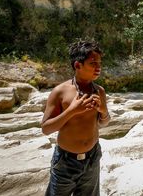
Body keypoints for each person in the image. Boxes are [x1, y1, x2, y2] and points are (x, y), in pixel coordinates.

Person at [41, 39, 111, 196]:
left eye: (99, 63)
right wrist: (71, 111)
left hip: (92, 158)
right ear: (77, 65)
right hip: (66, 161)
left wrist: (103, 110)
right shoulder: (60, 92)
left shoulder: (99, 91)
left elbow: (104, 122)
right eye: (93, 63)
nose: (98, 67)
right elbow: (46, 129)